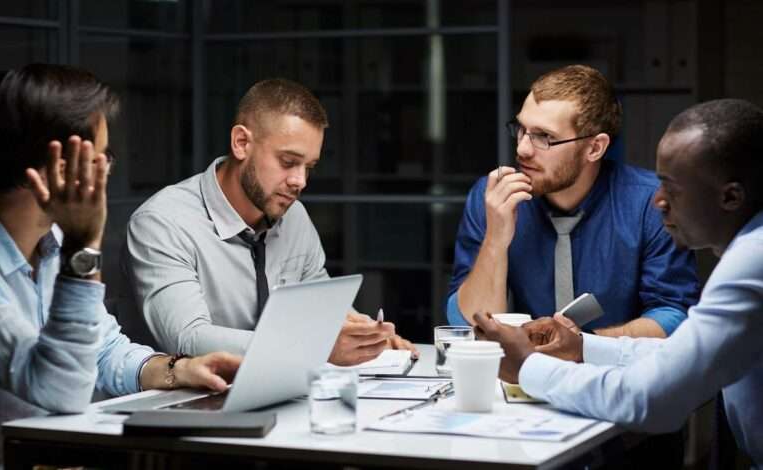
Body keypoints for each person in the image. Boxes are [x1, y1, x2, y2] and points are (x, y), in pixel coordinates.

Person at [473, 98, 763, 466]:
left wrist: (527, 366)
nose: (658, 201)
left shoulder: (752, 263)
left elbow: (649, 401)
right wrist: (581, 347)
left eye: (671, 188)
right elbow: (679, 356)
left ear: (731, 197)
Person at [0, 65, 242, 464]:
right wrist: (83, 246)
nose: (108, 167)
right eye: (102, 155)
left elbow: (102, 349)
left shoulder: (51, 246)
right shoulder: (57, 252)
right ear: (58, 167)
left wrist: (179, 370)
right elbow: (60, 387)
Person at [125, 78, 416, 365]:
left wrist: (365, 337)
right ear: (241, 143)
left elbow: (321, 305)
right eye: (288, 162)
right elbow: (187, 339)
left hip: (280, 394)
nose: (300, 181)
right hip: (183, 404)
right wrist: (314, 347)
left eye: (309, 167)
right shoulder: (163, 222)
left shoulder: (294, 215)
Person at [448, 65, 699, 338]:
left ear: (594, 148)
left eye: (545, 137)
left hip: (619, 371)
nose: (522, 149)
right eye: (521, 129)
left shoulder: (649, 203)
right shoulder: (495, 196)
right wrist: (495, 240)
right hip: (520, 376)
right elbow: (466, 322)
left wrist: (583, 347)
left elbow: (673, 314)